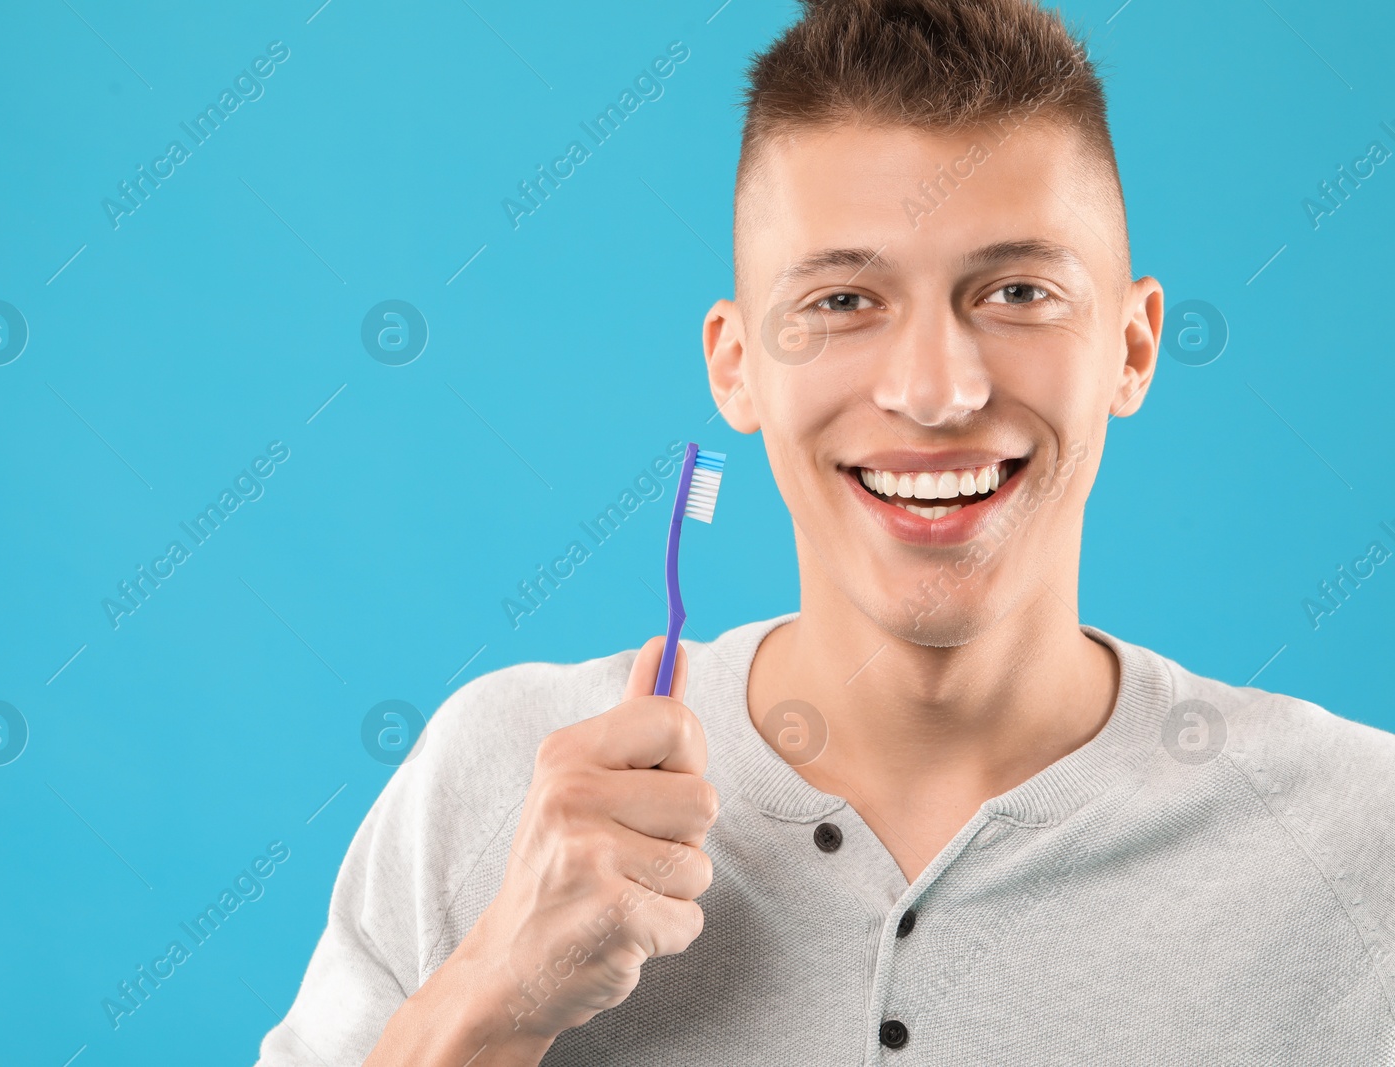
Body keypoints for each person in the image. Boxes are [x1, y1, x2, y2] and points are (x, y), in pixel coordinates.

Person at [257, 1, 1395, 1063]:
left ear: (1135, 347)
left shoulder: (1360, 841)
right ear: (736, 364)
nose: (935, 389)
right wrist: (489, 997)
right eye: (842, 301)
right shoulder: (497, 774)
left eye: (1016, 293)